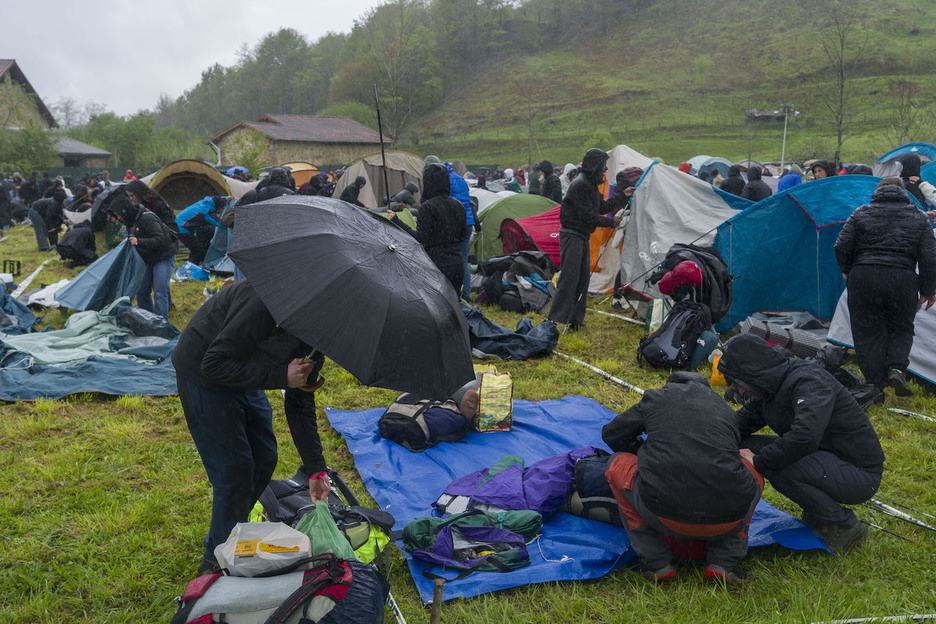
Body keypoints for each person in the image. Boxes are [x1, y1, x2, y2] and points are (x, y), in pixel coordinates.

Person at [171, 279, 328, 575]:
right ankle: (215, 562)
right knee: (235, 472)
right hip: (203, 369)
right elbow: (213, 364)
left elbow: (300, 402)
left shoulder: (317, 331)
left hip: (244, 369)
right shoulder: (265, 300)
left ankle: (233, 531)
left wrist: (316, 468)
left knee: (265, 457)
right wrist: (281, 374)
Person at [717, 333, 885, 555]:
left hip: (860, 474)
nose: (739, 391)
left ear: (753, 372)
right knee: (742, 445)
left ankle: (844, 524)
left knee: (775, 465)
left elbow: (805, 436)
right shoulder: (769, 387)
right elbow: (738, 426)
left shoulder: (808, 380)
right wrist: (706, 438)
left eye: (739, 383)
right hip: (825, 458)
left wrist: (759, 461)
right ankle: (818, 511)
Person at [603, 372, 763, 585]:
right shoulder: (726, 410)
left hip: (661, 511)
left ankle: (656, 563)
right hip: (726, 518)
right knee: (754, 469)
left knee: (616, 464)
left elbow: (612, 433)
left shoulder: (657, 398)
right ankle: (725, 562)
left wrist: (641, 454)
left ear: (670, 386)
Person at [834, 177, 936, 396]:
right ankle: (897, 368)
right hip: (902, 279)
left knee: (866, 330)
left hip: (864, 277)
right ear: (904, 193)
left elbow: (841, 244)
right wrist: (929, 290)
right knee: (902, 326)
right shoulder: (920, 217)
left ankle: (875, 384)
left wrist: (847, 268)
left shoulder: (861, 213)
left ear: (877, 192)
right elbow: (929, 257)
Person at [547, 148, 626, 330]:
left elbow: (601, 206)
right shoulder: (580, 184)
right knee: (569, 279)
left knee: (582, 280)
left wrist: (622, 196)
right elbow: (588, 215)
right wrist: (610, 222)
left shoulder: (590, 184)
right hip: (572, 236)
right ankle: (555, 320)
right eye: (603, 166)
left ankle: (576, 321)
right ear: (595, 166)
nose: (605, 170)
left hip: (581, 236)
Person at [388, 163, 466, 293]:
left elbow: (420, 239)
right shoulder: (458, 205)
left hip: (437, 265)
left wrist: (397, 221)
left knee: (438, 308)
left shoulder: (428, 208)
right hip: (457, 264)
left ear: (428, 183)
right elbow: (463, 235)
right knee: (455, 307)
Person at [107, 191, 177, 319]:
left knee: (160, 290)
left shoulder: (147, 218)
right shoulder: (130, 223)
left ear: (124, 211)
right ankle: (149, 320)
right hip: (148, 257)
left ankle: (161, 323)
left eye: (118, 215)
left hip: (163, 255)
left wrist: (139, 241)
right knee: (141, 290)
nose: (118, 218)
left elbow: (159, 240)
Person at [425, 155, 474, 301]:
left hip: (454, 221)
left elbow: (443, 202)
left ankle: (447, 295)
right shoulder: (459, 177)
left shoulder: (443, 179)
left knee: (446, 258)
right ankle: (466, 295)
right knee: (463, 259)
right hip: (468, 220)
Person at [176, 196, 229, 266]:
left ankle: (194, 266)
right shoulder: (206, 211)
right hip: (182, 229)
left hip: (179, 225)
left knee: (197, 249)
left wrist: (225, 198)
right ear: (218, 206)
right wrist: (232, 227)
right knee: (197, 250)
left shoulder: (207, 203)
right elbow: (219, 223)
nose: (222, 211)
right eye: (222, 208)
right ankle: (190, 269)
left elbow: (215, 198)